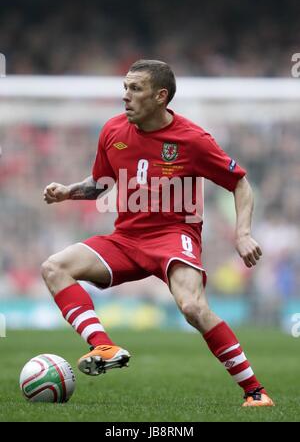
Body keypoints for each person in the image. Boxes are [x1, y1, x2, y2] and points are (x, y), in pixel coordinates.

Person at [42, 59, 274, 407]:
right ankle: (103, 345)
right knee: (54, 267)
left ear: (160, 96)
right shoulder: (112, 131)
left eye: (135, 89)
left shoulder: (193, 140)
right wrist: (67, 192)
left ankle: (255, 392)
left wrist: (242, 233)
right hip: (126, 238)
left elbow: (240, 182)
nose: (125, 96)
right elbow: (98, 184)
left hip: (173, 237)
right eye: (125, 88)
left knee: (193, 307)